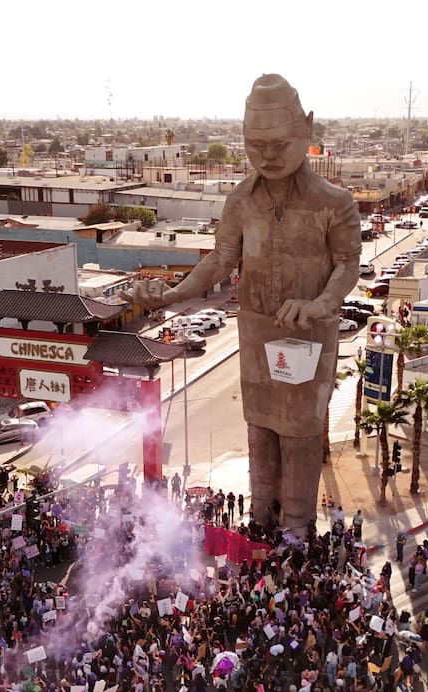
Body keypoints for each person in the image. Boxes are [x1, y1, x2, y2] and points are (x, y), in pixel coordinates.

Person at [124, 74, 361, 530]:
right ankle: (260, 515)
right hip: (256, 330)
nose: (267, 157)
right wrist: (172, 294)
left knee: (300, 432)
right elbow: (220, 260)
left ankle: (297, 524)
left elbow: (348, 265)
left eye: (278, 144)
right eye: (256, 146)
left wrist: (320, 303)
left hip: (308, 333)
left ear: (306, 129)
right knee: (260, 427)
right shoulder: (240, 201)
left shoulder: (335, 202)